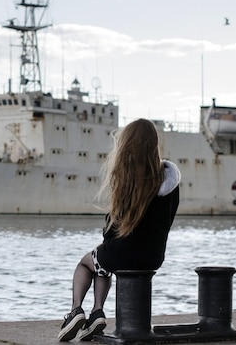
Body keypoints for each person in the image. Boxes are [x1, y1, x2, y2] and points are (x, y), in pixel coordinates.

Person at [57, 118, 181, 342]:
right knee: (103, 264)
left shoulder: (127, 176)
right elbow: (167, 220)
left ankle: (77, 310)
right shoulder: (169, 180)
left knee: (88, 262)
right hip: (154, 256)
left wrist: (108, 242)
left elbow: (114, 228)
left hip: (123, 253)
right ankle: (96, 315)